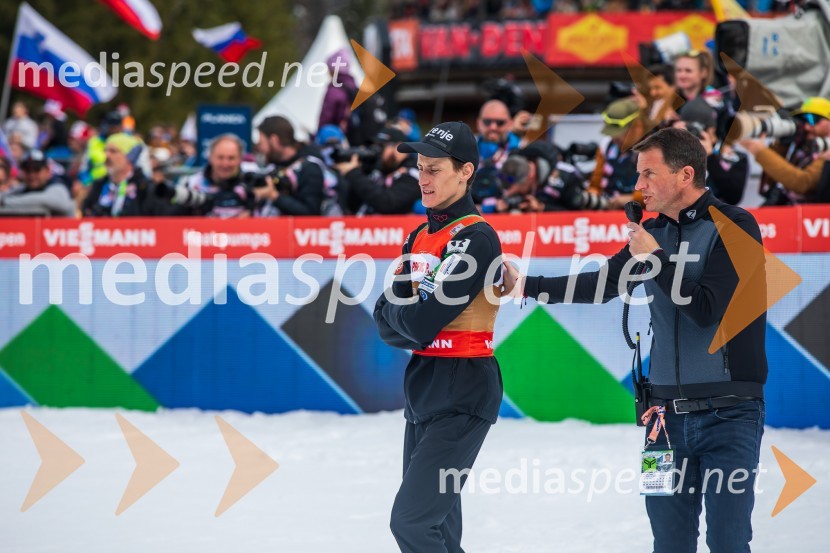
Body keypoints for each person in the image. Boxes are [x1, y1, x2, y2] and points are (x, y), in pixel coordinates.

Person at [505, 127, 766, 552]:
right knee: (668, 543)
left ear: (685, 175)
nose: (638, 185)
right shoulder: (654, 233)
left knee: (728, 543)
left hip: (730, 416)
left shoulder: (736, 225)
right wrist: (527, 286)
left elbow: (706, 311)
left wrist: (656, 260)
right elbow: (601, 284)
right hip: (662, 422)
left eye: (648, 173)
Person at [374, 121, 506, 553]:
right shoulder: (418, 235)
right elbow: (385, 325)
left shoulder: (476, 238)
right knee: (440, 529)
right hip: (423, 389)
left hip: (464, 391)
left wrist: (401, 314)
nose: (423, 178)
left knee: (411, 523)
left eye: (434, 168)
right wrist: (401, 315)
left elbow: (417, 324)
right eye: (419, 167)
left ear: (465, 171)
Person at [739, 97, 830, 204]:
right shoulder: (802, 146)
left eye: (813, 119)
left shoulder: (825, 149)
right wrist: (782, 143)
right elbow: (771, 182)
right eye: (803, 120)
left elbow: (803, 183)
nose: (807, 126)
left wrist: (760, 152)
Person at [335, 126, 420, 215]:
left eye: (381, 146)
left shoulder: (414, 175)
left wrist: (354, 174)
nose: (378, 152)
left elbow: (386, 203)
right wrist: (363, 170)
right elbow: (352, 206)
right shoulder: (380, 171)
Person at [255, 116, 326, 216]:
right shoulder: (275, 166)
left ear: (274, 140)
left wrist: (274, 196)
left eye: (261, 142)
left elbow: (311, 213)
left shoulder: (310, 167)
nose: (259, 148)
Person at [82, 133, 160, 217]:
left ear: (129, 156)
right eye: (105, 151)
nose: (106, 155)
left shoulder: (145, 187)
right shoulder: (99, 185)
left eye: (113, 151)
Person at [0, 150, 74, 216]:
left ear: (47, 171)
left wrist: (6, 202)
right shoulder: (22, 188)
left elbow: (45, 200)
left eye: (36, 170)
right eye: (27, 170)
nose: (32, 175)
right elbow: (4, 195)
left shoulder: (57, 185)